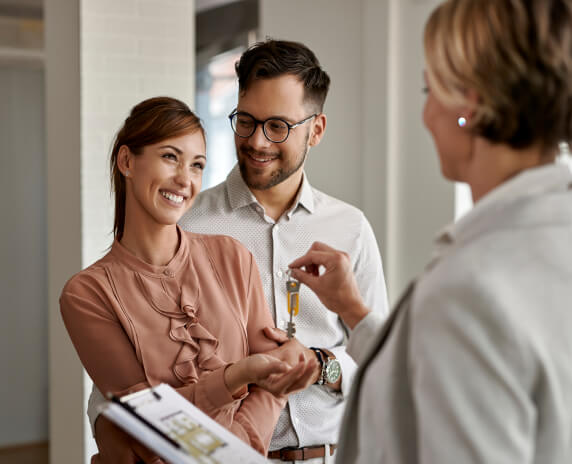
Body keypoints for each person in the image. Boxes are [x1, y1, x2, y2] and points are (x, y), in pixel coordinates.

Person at [289, 0, 572, 463]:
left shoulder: (472, 287)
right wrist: (355, 313)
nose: (426, 116)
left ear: (471, 105)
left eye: (429, 90)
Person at [89, 40, 389, 463]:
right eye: (246, 122)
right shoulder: (186, 225)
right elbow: (122, 379)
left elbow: (380, 359)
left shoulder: (351, 229)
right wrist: (109, 425)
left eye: (278, 126)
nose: (258, 141)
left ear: (316, 130)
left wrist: (321, 365)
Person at [60, 96, 317, 463]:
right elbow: (144, 421)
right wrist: (236, 376)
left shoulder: (233, 257)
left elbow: (273, 384)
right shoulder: (87, 294)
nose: (185, 179)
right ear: (126, 161)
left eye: (197, 165)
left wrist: (235, 450)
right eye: (170, 157)